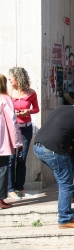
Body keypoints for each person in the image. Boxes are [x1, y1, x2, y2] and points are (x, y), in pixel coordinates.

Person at [33, 96, 74, 229]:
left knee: (68, 171)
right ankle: (65, 219)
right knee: (65, 183)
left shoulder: (60, 108)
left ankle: (72, 195)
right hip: (54, 151)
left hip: (38, 147)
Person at [7, 67, 39, 199]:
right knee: (11, 159)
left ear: (18, 78)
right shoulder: (8, 93)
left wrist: (28, 112)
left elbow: (36, 108)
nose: (9, 80)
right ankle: (10, 189)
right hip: (13, 128)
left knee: (22, 158)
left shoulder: (31, 92)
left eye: (11, 78)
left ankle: (21, 187)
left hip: (26, 128)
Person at [0, 74, 23, 209]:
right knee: (2, 168)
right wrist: (17, 141)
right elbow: (12, 121)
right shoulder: (5, 99)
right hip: (2, 140)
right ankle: (0, 199)